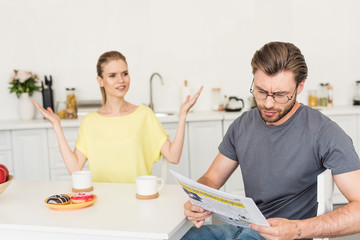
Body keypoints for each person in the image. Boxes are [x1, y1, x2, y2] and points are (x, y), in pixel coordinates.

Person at [182, 42, 360, 240]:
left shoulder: (325, 132)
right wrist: (197, 200)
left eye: (280, 95)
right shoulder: (242, 126)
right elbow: (211, 179)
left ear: (299, 86)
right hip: (244, 228)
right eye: (260, 91)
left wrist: (297, 229)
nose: (268, 103)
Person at [33, 50, 203, 183]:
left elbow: (173, 156)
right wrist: (57, 126)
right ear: (100, 81)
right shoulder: (90, 122)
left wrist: (182, 115)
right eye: (112, 75)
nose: (121, 80)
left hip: (138, 199)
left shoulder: (144, 115)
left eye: (125, 73)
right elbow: (75, 168)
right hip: (101, 202)